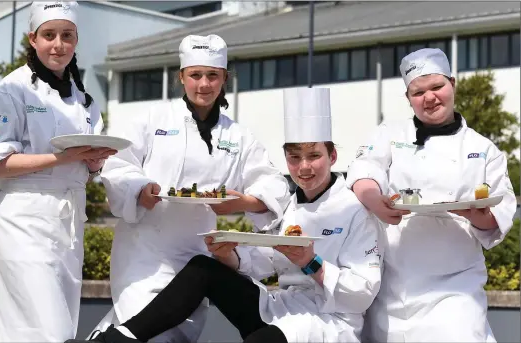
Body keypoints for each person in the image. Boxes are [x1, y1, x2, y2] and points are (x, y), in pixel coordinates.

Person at [67, 87, 383, 343]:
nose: (304, 167)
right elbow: (268, 262)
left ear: (333, 156)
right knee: (204, 267)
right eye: (295, 157)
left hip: (327, 323)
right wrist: (231, 257)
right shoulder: (292, 208)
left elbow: (362, 296)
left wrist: (311, 263)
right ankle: (121, 339)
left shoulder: (356, 211)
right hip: (280, 309)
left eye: (314, 156)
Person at [91, 34, 290, 343]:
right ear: (181, 77)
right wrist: (141, 189)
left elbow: (273, 182)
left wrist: (245, 202)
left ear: (224, 78)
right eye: (196, 75)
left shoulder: (238, 136)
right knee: (149, 333)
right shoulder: (151, 120)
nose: (204, 84)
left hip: (196, 259)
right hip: (145, 254)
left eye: (213, 75)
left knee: (173, 336)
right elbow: (118, 166)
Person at [346, 48, 517, 342]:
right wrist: (376, 201)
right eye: (418, 92)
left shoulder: (484, 149)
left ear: (453, 83)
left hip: (456, 284)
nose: (429, 98)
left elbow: (500, 215)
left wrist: (478, 217)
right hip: (394, 286)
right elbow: (364, 171)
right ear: (408, 98)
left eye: (437, 87)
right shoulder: (390, 133)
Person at [0, 2, 117, 342]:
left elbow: (88, 165)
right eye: (49, 35)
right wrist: (63, 158)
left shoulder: (84, 100)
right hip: (23, 221)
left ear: (76, 41)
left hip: (68, 225)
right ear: (32, 39)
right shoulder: (8, 91)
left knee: (22, 326)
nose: (58, 44)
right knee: (50, 330)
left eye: (67, 36)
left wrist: (95, 160)